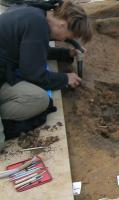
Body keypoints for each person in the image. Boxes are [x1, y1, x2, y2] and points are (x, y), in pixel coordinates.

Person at [0, 0, 92, 150]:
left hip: (3, 72)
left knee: (40, 100)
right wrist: (65, 79)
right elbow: (33, 74)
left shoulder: (35, 13)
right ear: (62, 25)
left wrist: (65, 54)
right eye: (69, 36)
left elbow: (32, 49)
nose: (65, 40)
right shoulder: (38, 25)